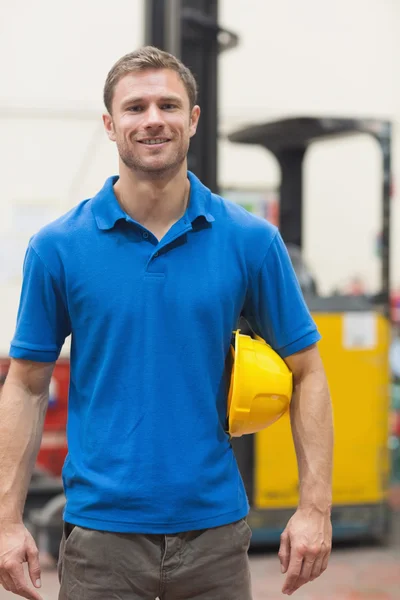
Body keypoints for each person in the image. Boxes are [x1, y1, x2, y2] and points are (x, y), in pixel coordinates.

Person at [0, 46, 334, 600]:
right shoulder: (58, 247)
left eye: (168, 105)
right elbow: (26, 384)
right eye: (135, 108)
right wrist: (8, 521)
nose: (153, 119)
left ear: (193, 120)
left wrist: (315, 507)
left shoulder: (249, 241)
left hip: (215, 535)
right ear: (110, 124)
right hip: (100, 540)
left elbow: (310, 374)